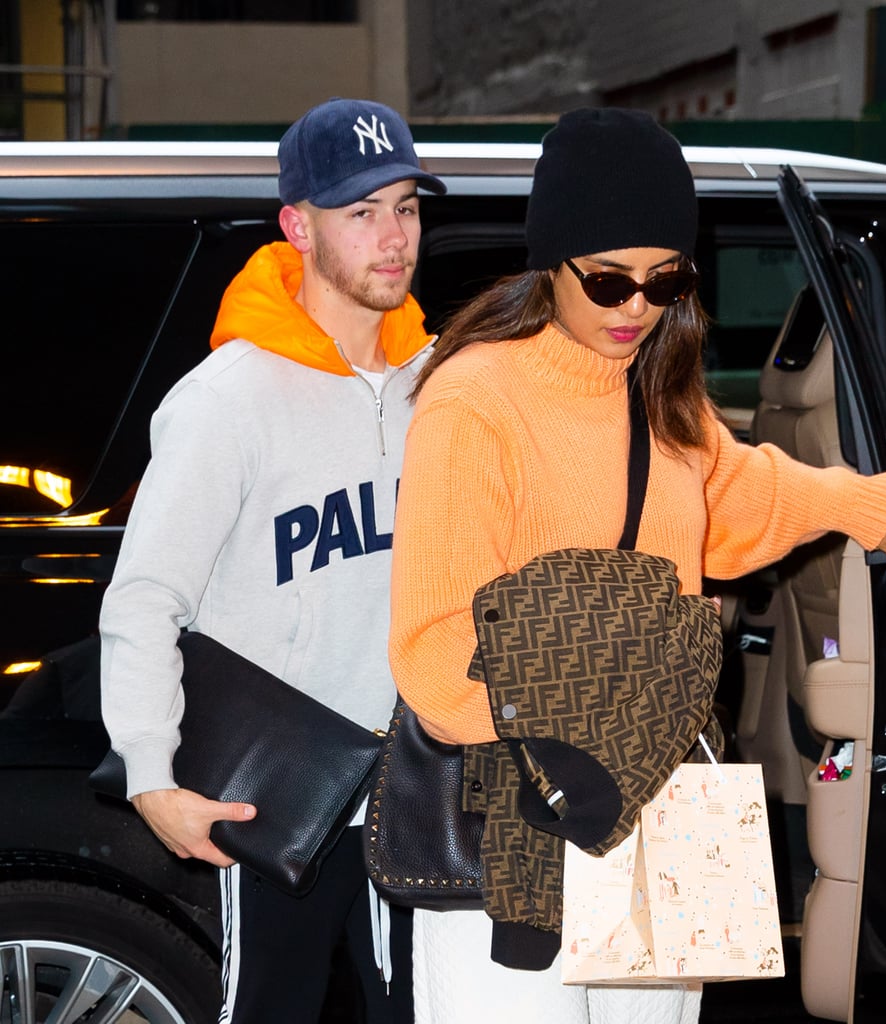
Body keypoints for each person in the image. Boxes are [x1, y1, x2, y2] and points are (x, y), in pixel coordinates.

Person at [387, 107, 886, 1023]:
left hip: (661, 796)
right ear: (549, 265)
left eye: (664, 278)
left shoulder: (661, 393)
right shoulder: (473, 401)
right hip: (528, 806)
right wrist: (575, 750)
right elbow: (433, 655)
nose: (636, 306)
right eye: (606, 281)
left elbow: (734, 501)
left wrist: (861, 502)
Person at [99, 96, 445, 1024]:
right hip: (286, 787)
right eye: (361, 212)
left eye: (406, 207)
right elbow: (144, 599)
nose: (392, 237)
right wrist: (150, 775)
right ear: (298, 225)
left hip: (424, 774)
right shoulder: (229, 399)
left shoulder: (445, 382)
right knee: (272, 1010)